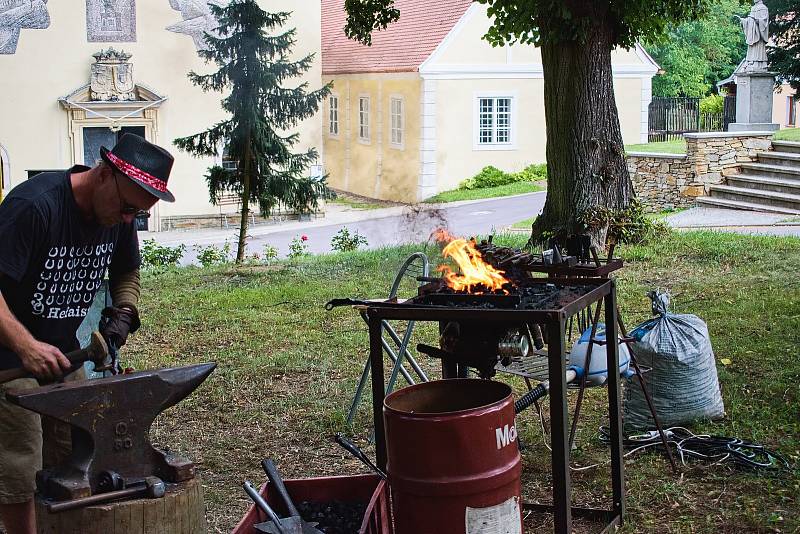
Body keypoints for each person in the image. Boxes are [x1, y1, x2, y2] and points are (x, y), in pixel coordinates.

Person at [0, 133, 175, 534]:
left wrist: (125, 310)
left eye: (139, 214)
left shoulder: (119, 215)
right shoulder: (34, 206)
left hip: (65, 357)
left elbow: (127, 270)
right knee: (18, 469)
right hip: (8, 363)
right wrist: (25, 346)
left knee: (74, 458)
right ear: (103, 174)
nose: (130, 219)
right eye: (128, 207)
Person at [738, 0, 769, 71]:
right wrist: (744, 21)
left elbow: (764, 21)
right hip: (752, 34)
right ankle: (750, 62)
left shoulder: (763, 8)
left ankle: (759, 64)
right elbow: (749, 20)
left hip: (758, 35)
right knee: (751, 48)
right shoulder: (753, 8)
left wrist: (757, 20)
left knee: (758, 49)